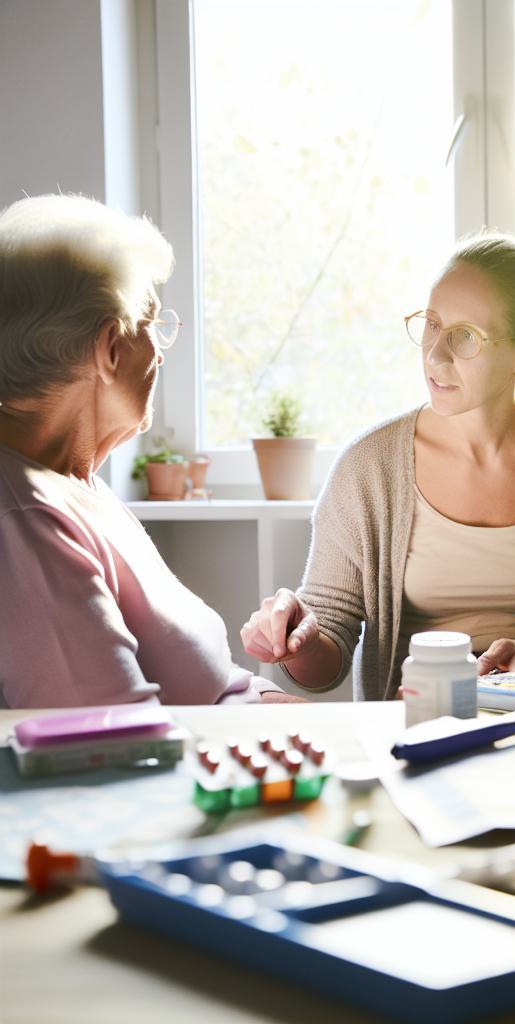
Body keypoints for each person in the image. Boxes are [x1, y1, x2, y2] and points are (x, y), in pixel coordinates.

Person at [242, 233, 515, 701]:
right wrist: (295, 640)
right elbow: (327, 656)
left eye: (464, 336)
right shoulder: (368, 466)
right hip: (426, 712)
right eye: (430, 324)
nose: (434, 355)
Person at [0, 194, 298, 708]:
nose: (161, 353)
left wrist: (275, 701)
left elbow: (203, 679)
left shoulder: (75, 483)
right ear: (109, 349)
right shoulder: (26, 518)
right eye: (153, 326)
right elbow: (113, 745)